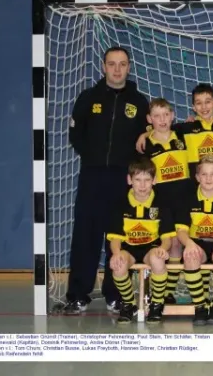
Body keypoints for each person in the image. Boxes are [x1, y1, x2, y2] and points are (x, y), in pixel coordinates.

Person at [64, 46, 150, 314]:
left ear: (129, 67)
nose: (117, 69)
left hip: (122, 180)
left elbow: (147, 138)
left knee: (118, 237)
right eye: (112, 64)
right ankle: (78, 293)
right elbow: (76, 134)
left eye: (122, 64)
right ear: (103, 66)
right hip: (92, 176)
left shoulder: (139, 102)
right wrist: (93, 157)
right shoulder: (89, 97)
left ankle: (116, 294)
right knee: (85, 235)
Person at [106, 157, 177, 324]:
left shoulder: (162, 203)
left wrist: (163, 249)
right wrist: (116, 254)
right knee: (118, 264)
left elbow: (167, 238)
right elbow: (115, 238)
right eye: (138, 180)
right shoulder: (120, 204)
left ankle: (156, 303)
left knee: (157, 259)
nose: (143, 185)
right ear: (129, 180)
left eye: (147, 180)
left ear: (154, 180)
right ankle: (129, 304)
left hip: (151, 247)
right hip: (128, 248)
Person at [175, 155, 213, 325]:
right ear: (197, 177)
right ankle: (200, 306)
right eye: (204, 174)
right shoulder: (188, 198)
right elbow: (181, 231)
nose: (208, 178)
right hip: (197, 243)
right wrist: (189, 244)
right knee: (190, 256)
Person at [141, 97, 188, 304]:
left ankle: (169, 291)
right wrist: (144, 134)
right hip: (161, 201)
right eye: (157, 116)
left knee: (178, 242)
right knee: (165, 243)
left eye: (166, 115)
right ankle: (158, 289)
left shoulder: (183, 134)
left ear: (172, 116)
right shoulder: (145, 144)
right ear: (149, 119)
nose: (162, 120)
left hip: (184, 198)